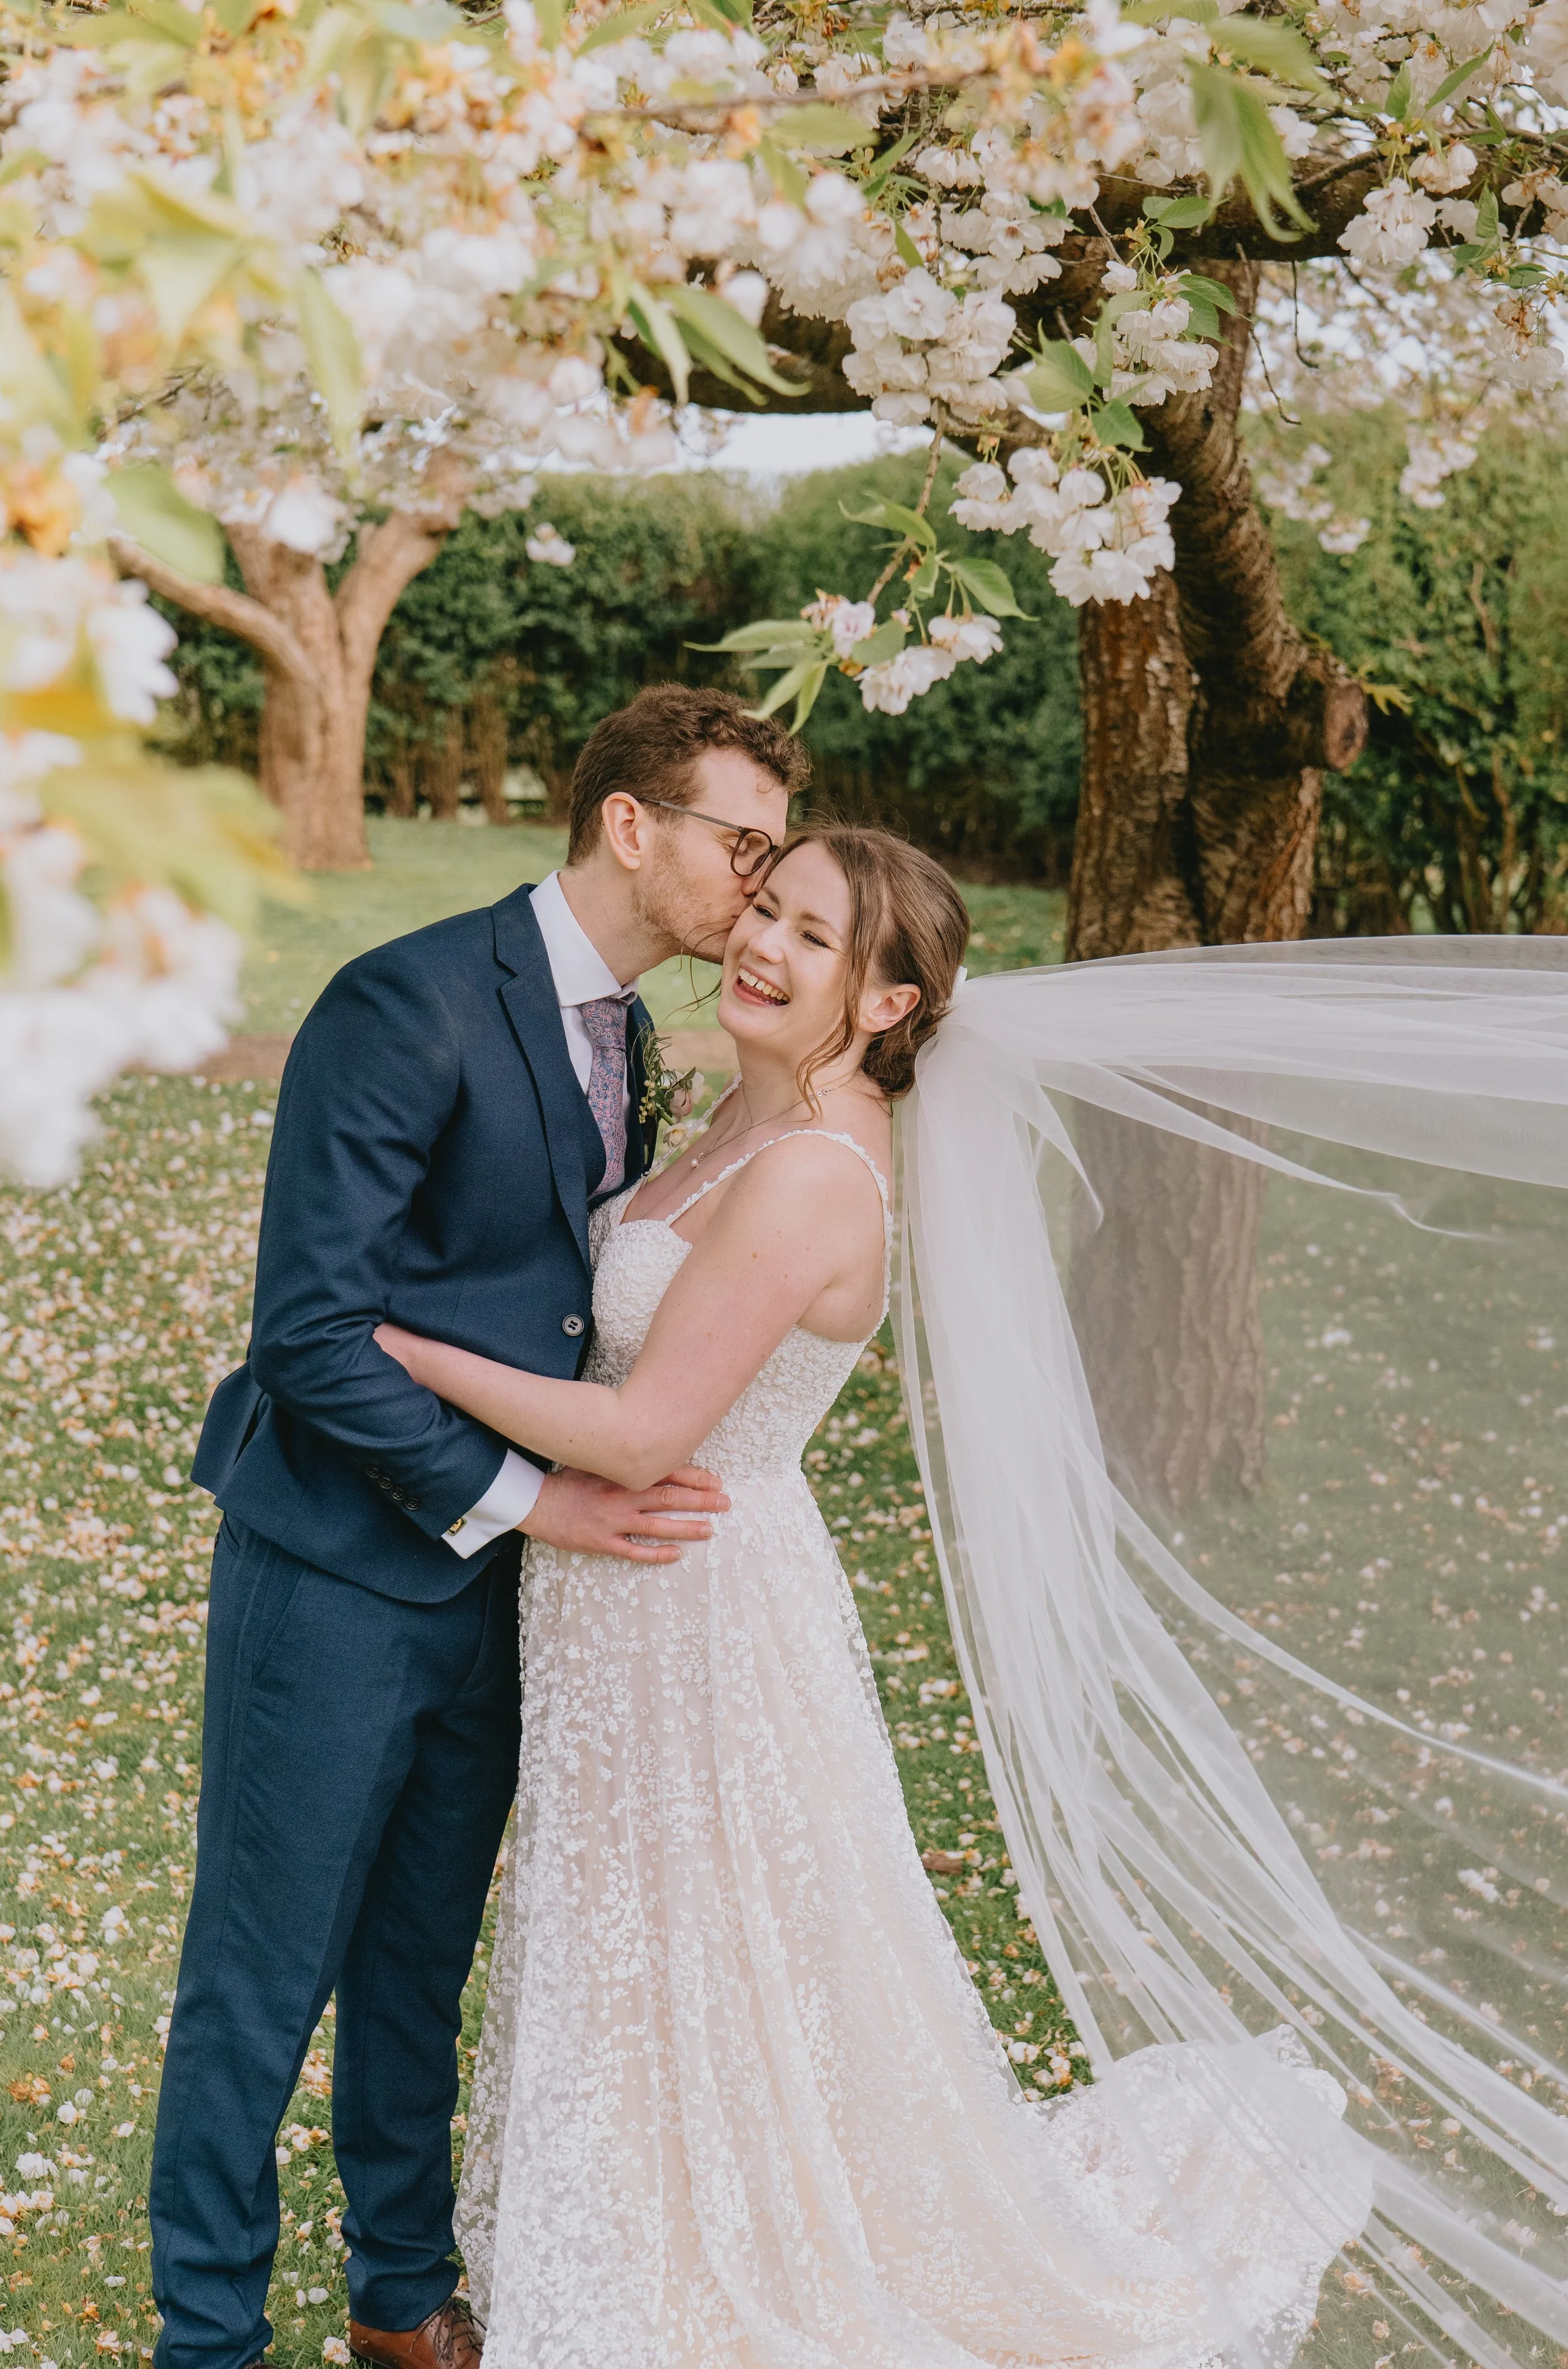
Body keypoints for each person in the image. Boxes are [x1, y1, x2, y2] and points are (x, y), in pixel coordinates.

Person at [373, 828, 1380, 2369]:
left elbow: (645, 1435)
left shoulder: (812, 1177)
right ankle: (645, 2205)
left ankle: (739, 2245)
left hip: (699, 1601)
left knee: (731, 1940)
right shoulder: (735, 1111)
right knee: (640, 1929)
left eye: (814, 939)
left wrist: (393, 1348)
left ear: (893, 1002)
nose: (760, 949)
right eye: (762, 912)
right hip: (619, 1599)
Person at [152, 686, 809, 2369]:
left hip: (504, 1598)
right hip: (334, 1569)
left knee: (416, 1956)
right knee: (261, 1967)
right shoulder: (407, 998)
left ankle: (396, 2289)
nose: (758, 875)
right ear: (629, 824)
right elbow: (308, 1333)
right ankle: (209, 2334)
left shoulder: (631, 1038)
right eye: (743, 841)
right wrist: (533, 1494)